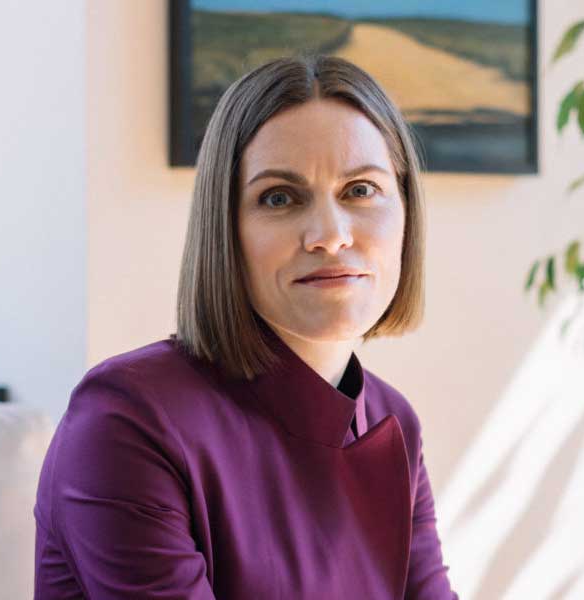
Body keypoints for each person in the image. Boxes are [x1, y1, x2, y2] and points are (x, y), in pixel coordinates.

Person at [33, 53, 459, 599]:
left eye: (360, 190)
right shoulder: (127, 419)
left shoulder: (392, 420)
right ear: (226, 229)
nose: (330, 235)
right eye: (279, 198)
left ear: (406, 212)